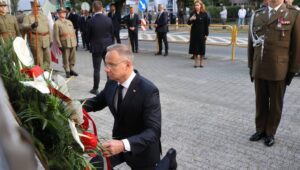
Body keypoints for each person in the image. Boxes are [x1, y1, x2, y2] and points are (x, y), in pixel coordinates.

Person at [83, 44, 162, 169]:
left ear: (128, 65)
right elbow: (97, 102)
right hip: (116, 144)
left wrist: (123, 144)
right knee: (91, 166)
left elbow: (153, 132)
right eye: (106, 64)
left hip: (142, 150)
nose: (106, 69)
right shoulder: (112, 83)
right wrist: (69, 103)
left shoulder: (148, 90)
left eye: (112, 65)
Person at [248, 0, 300, 147]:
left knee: (276, 104)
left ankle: (270, 132)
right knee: (260, 101)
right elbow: (251, 43)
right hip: (259, 66)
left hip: (279, 69)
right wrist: (251, 66)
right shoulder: (257, 14)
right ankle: (260, 130)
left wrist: (293, 70)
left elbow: (297, 46)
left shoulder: (293, 14)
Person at [87, 1, 114, 95]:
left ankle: (95, 89)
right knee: (108, 67)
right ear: (102, 8)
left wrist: (90, 43)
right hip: (108, 46)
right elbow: (112, 33)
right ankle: (110, 87)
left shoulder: (91, 21)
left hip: (96, 47)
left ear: (93, 8)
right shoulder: (108, 19)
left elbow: (88, 35)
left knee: (97, 69)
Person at [22, 0, 52, 69]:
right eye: (35, 6)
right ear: (32, 7)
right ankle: (41, 74)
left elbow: (48, 28)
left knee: (48, 58)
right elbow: (24, 26)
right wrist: (32, 25)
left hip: (46, 40)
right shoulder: (28, 17)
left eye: (38, 6)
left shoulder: (43, 16)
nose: (37, 8)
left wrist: (51, 39)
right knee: (38, 59)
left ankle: (46, 72)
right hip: (36, 40)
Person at [54, 7, 78, 78]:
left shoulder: (69, 22)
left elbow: (73, 32)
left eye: (64, 12)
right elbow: (56, 35)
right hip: (64, 43)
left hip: (72, 42)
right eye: (62, 12)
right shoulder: (57, 23)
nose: (63, 13)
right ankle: (67, 70)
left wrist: (75, 41)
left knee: (73, 57)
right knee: (66, 58)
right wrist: (59, 44)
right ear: (59, 14)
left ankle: (71, 69)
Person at [188, 0, 209, 68]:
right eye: (195, 5)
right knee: (195, 49)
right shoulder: (193, 13)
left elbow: (206, 25)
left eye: (198, 5)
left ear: (201, 6)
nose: (196, 6)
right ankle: (195, 63)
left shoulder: (204, 14)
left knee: (201, 49)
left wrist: (206, 34)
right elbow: (188, 23)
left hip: (202, 33)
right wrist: (191, 19)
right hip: (194, 33)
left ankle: (201, 63)